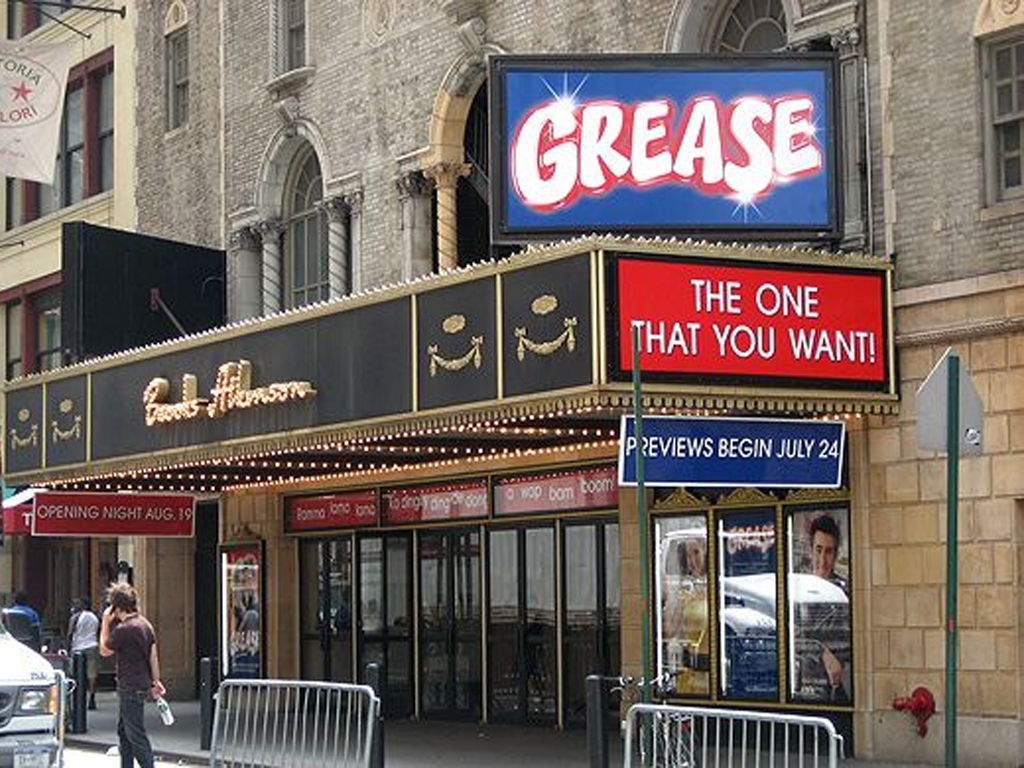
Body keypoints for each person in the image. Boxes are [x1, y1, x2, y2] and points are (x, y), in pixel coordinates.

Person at [99, 583, 166, 768]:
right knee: (124, 732)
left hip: (129, 686)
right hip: (140, 684)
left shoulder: (124, 629)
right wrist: (156, 681)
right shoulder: (145, 625)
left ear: (116, 608)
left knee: (136, 734)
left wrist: (105, 622)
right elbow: (153, 656)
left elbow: (104, 650)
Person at [795, 513, 851, 702]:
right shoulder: (797, 588)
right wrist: (822, 653)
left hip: (838, 689)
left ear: (836, 554)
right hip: (804, 686)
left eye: (828, 551)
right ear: (810, 550)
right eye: (818, 550)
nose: (822, 559)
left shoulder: (845, 591)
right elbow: (791, 636)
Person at [68, 597, 100, 709]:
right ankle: (92, 696)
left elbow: (70, 632)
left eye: (78, 603)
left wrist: (68, 647)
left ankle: (77, 696)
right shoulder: (94, 617)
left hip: (78, 647)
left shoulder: (76, 617)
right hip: (92, 645)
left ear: (83, 605)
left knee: (74, 673)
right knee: (92, 673)